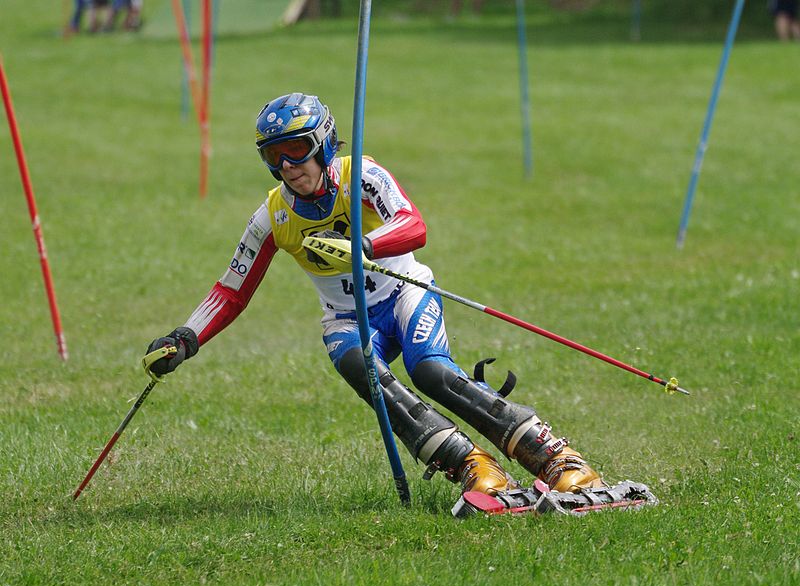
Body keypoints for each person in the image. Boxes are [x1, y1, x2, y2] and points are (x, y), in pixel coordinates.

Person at [145, 93, 612, 501]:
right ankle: (473, 466)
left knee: (430, 371)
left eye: (296, 149)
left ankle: (555, 457)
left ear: (324, 142)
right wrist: (186, 338)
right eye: (273, 156)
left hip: (406, 293)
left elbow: (414, 225)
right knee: (358, 366)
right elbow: (231, 290)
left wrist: (363, 247)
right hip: (347, 317)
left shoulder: (361, 176)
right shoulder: (271, 217)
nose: (288, 166)